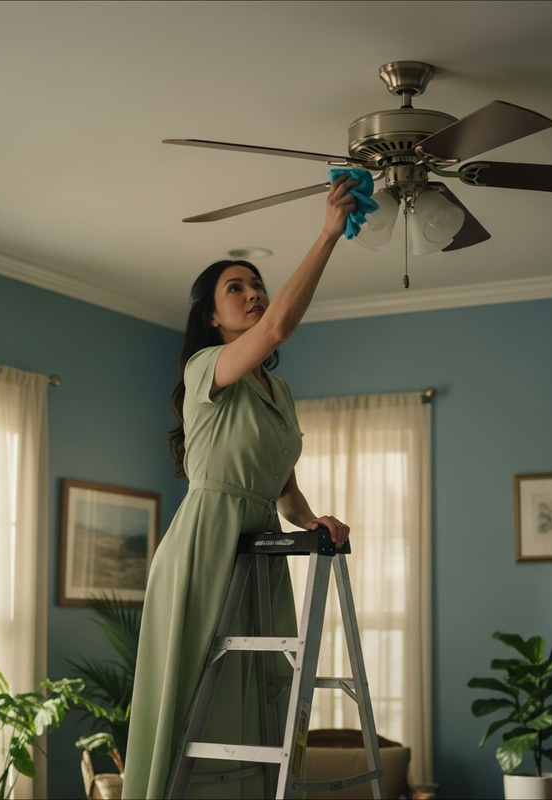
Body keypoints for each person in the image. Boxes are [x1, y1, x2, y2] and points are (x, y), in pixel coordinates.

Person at [122, 175, 356, 799]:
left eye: (257, 284)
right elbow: (276, 330)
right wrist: (328, 233)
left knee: (257, 699)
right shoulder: (207, 366)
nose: (254, 293)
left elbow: (283, 488)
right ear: (211, 316)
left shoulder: (279, 392)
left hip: (261, 547)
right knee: (191, 700)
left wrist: (312, 521)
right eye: (237, 288)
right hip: (208, 541)